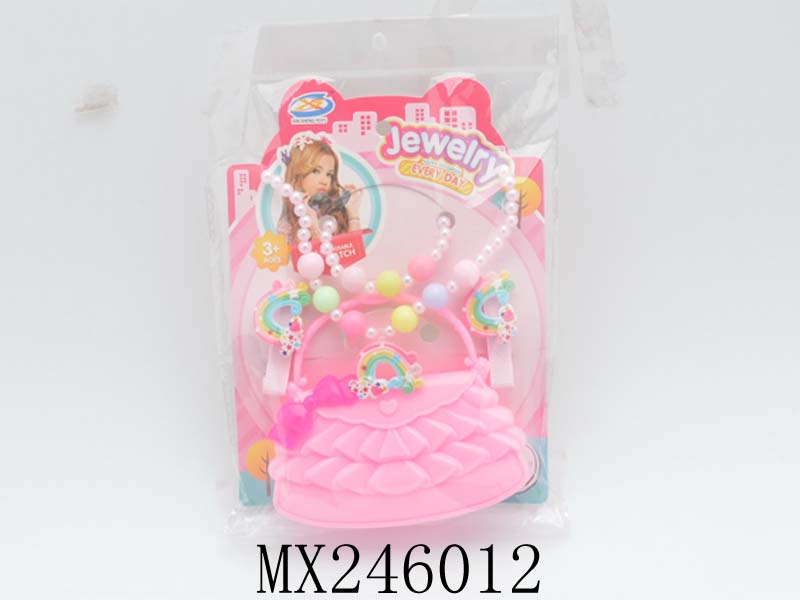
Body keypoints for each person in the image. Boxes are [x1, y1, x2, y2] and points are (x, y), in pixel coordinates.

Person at [276, 136, 363, 243]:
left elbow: (354, 249)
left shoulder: (336, 213)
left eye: (329, 174)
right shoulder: (288, 222)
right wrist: (312, 226)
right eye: (316, 171)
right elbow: (313, 252)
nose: (325, 181)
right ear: (298, 173)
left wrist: (353, 213)